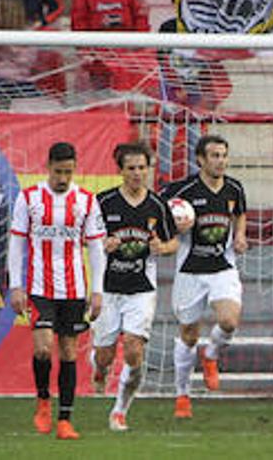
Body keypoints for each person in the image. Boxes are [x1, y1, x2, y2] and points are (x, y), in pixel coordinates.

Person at [8, 142, 108, 440]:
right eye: (58, 171)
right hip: (39, 287)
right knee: (42, 348)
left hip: (74, 288)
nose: (63, 178)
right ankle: (42, 400)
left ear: (74, 168)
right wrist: (16, 286)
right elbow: (16, 242)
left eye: (68, 171)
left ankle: (65, 419)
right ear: (47, 167)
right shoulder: (29, 198)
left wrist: (98, 290)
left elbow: (96, 249)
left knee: (67, 351)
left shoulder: (86, 201)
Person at [161, 135, 250, 418]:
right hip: (190, 270)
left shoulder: (234, 188)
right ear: (200, 159)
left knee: (229, 320)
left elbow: (241, 213)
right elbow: (156, 208)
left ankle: (211, 355)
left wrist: (240, 235)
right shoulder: (182, 189)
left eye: (223, 155)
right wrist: (171, 226)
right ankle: (182, 396)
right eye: (214, 155)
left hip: (222, 266)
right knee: (188, 335)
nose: (220, 161)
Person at [92, 143, 177, 433]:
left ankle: (120, 411)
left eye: (142, 167)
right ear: (121, 170)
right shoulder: (103, 202)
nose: (138, 173)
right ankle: (99, 368)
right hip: (108, 288)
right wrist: (103, 244)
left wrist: (162, 247)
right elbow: (84, 238)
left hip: (141, 289)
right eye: (131, 168)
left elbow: (173, 241)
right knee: (104, 354)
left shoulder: (157, 205)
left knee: (133, 350)